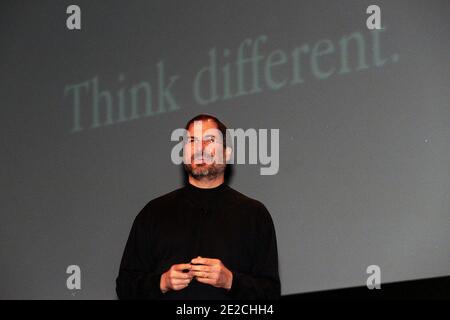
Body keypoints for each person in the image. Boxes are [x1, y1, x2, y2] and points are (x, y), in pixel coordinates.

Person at [116, 114, 280, 300]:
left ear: (226, 153)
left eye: (209, 140)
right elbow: (124, 287)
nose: (199, 149)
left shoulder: (254, 215)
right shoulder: (153, 213)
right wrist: (162, 282)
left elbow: (270, 294)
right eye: (192, 141)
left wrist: (230, 281)